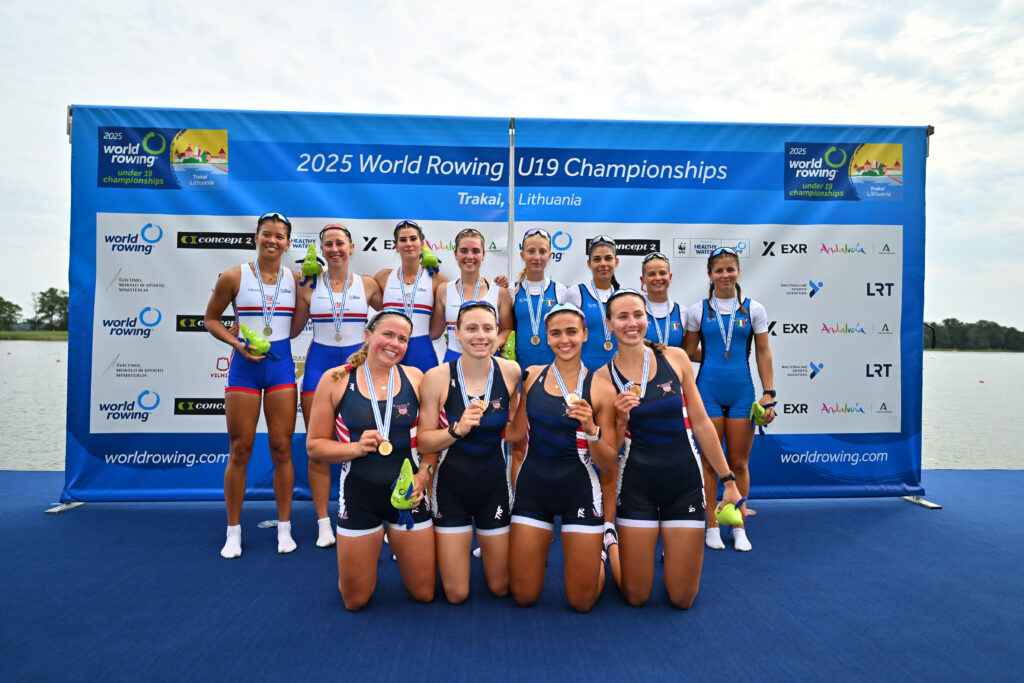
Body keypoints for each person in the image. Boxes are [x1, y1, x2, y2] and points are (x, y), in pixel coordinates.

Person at [595, 289, 743, 607]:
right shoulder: (602, 379)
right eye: (622, 316)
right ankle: (611, 544)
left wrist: (728, 480)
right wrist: (621, 420)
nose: (631, 323)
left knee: (682, 599)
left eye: (638, 314)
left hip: (684, 485)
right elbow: (609, 454)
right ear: (609, 324)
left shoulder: (675, 358)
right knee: (636, 596)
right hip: (636, 488)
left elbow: (701, 424)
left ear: (647, 318)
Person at [305, 309, 437, 610]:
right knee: (355, 600)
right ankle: (356, 565)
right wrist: (355, 448)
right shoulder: (336, 379)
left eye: (402, 339)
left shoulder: (416, 378)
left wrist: (423, 476)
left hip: (408, 495)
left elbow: (430, 441)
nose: (395, 344)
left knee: (424, 593)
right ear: (368, 335)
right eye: (387, 334)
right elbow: (314, 447)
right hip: (359, 495)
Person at [506, 303, 618, 612]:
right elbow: (515, 434)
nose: (564, 340)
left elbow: (608, 462)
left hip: (579, 490)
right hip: (533, 489)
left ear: (585, 334)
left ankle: (599, 553)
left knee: (581, 603)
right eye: (556, 333)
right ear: (547, 337)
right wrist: (483, 411)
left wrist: (591, 428)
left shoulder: (601, 389)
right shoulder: (531, 376)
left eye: (571, 332)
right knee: (524, 596)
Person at [204, 211, 301, 559]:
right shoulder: (234, 276)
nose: (272, 240)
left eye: (279, 236)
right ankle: (233, 531)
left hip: (280, 369)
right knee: (240, 448)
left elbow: (303, 322)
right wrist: (236, 343)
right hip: (244, 368)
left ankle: (285, 528)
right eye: (266, 234)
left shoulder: (297, 280)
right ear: (256, 237)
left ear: (288, 243)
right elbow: (210, 319)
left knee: (282, 449)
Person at [418, 301, 521, 603]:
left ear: (497, 333)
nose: (480, 336)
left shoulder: (511, 372)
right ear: (457, 333)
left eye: (488, 328)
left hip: (494, 487)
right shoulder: (436, 377)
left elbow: (514, 430)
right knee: (456, 594)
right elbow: (424, 442)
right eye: (472, 328)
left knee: (500, 588)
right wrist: (456, 430)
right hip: (451, 490)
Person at [291, 224, 382, 548]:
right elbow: (292, 330)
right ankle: (323, 523)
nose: (334, 249)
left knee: (369, 444)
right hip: (319, 369)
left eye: (340, 243)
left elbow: (402, 309)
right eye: (328, 244)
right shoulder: (307, 285)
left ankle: (377, 513)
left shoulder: (368, 284)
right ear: (321, 249)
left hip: (358, 367)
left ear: (351, 247)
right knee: (319, 446)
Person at [683, 247, 775, 552]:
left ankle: (738, 526)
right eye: (719, 270)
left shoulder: (754, 309)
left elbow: (763, 352)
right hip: (707, 391)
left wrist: (769, 393)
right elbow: (686, 354)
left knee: (738, 462)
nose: (725, 275)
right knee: (710, 463)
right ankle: (711, 524)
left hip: (742, 394)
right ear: (710, 275)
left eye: (730, 269)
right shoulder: (697, 311)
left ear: (738, 272)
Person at [560, 234, 622, 558]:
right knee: (582, 453)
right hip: (585, 383)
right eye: (597, 259)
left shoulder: (623, 296)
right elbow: (567, 333)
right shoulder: (576, 293)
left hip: (615, 382)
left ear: (616, 262)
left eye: (608, 258)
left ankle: (608, 523)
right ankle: (583, 516)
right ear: (588, 263)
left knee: (609, 454)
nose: (603, 264)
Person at [374, 220, 448, 373]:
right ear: (396, 246)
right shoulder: (383, 277)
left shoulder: (437, 278)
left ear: (422, 244)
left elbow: (439, 326)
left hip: (423, 352)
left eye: (413, 239)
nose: (408, 244)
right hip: (390, 350)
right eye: (403, 240)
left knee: (427, 389)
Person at [431, 228, 513, 361]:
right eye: (464, 251)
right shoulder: (444, 290)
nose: (469, 256)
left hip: (488, 359)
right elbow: (434, 332)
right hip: (454, 359)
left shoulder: (499, 291)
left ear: (483, 255)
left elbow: (508, 328)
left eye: (475, 251)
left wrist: (496, 343)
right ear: (455, 254)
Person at [510, 228, 570, 369]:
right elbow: (506, 328)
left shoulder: (559, 290)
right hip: (520, 364)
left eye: (542, 252)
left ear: (549, 256)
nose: (537, 257)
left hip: (552, 363)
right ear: (522, 255)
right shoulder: (512, 290)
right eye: (531, 251)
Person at [640, 252, 687, 350]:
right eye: (652, 274)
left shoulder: (682, 312)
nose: (658, 278)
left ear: (670, 277)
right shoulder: (635, 310)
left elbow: (688, 351)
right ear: (642, 280)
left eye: (662, 273)